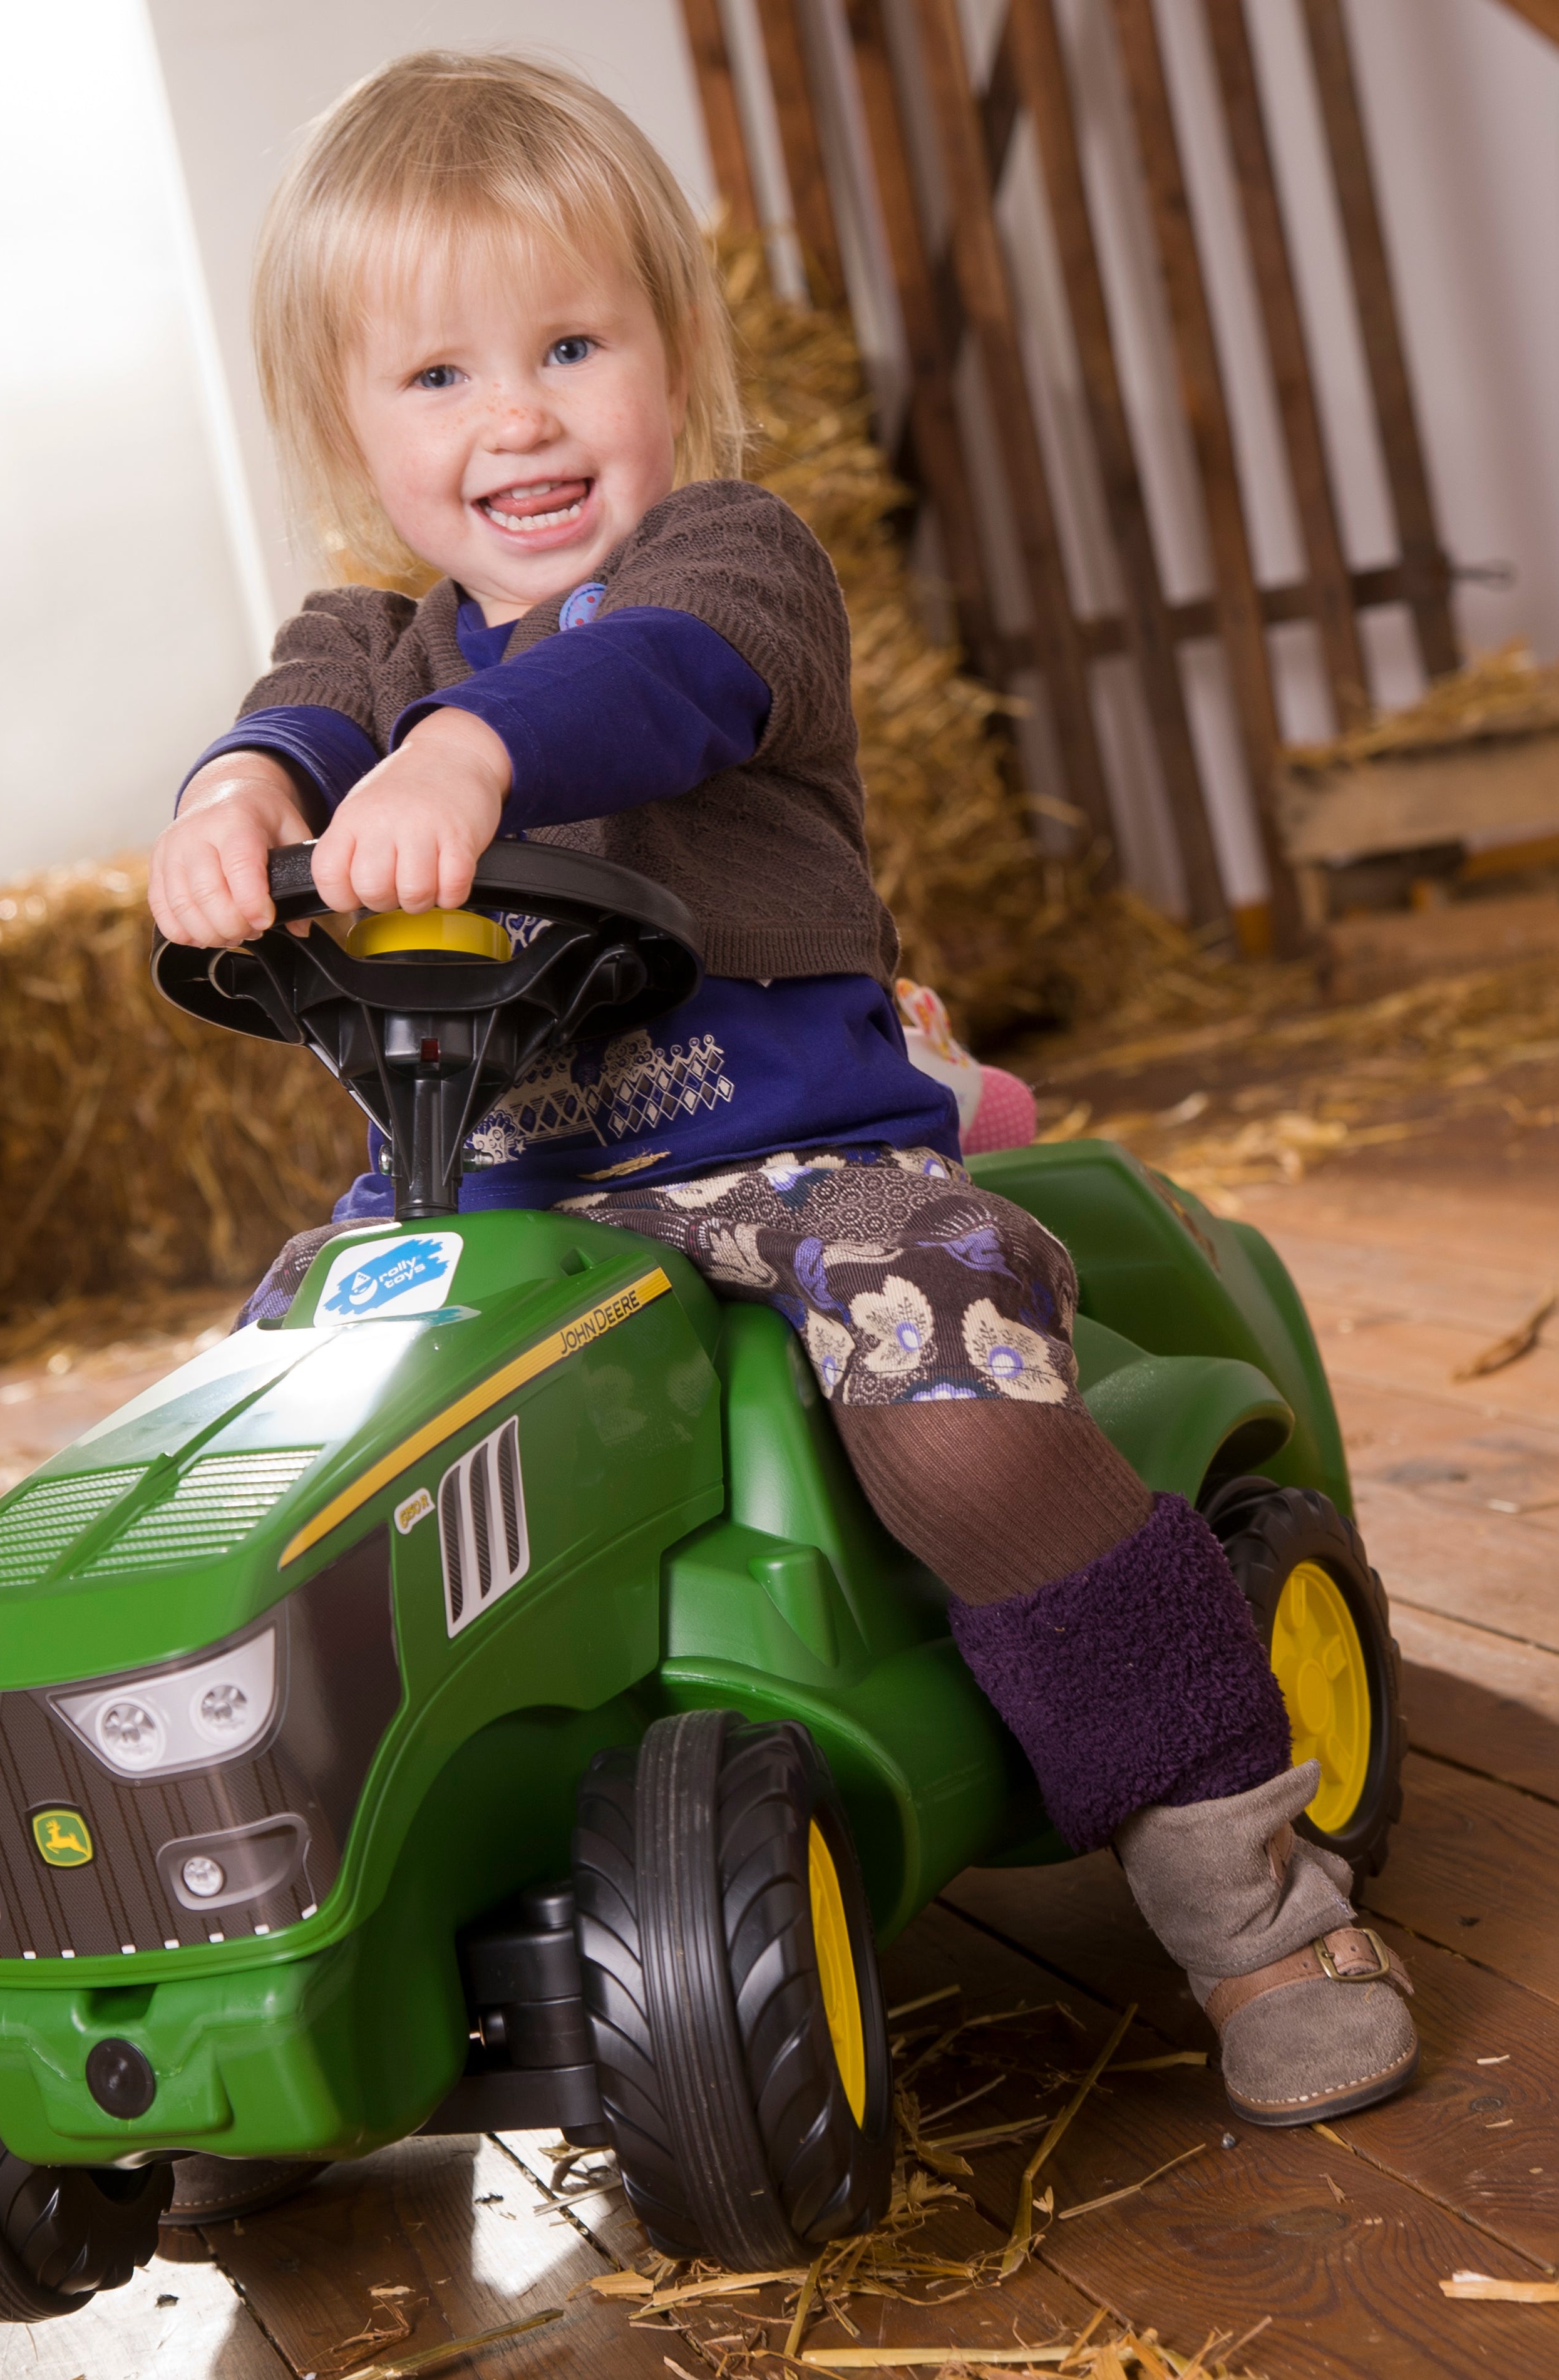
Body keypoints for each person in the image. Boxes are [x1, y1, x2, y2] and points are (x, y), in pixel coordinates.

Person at [148, 49, 1414, 2141]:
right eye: (442, 377)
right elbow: (282, 721)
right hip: (482, 1223)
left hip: (793, 1167)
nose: (522, 416)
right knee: (262, 1452)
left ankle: (1246, 1877)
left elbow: (639, 691)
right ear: (349, 433)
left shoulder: (731, 570)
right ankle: (261, 1984)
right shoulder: (371, 649)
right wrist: (234, 803)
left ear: (675, 357)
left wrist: (475, 763)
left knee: (957, 1410)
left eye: (572, 345)